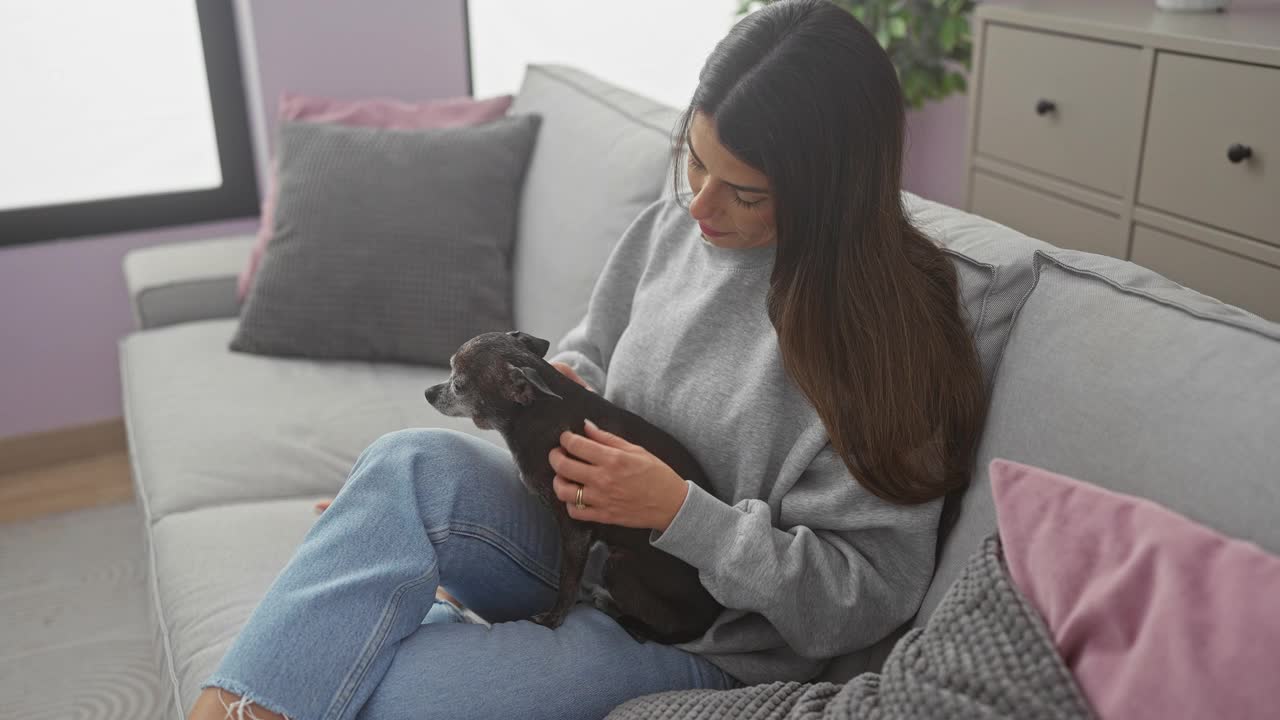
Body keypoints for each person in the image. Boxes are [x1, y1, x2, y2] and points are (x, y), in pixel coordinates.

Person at [188, 1, 987, 718]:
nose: (700, 207)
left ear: (833, 190)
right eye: (697, 162)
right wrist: (569, 388)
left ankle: (392, 588)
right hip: (567, 539)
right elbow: (588, 359)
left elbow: (866, 599)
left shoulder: (890, 345)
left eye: (746, 193)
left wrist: (684, 515)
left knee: (385, 695)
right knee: (405, 466)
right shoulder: (671, 230)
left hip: (700, 637)